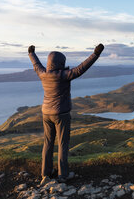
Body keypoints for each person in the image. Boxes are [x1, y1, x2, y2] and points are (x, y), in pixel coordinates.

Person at [28, 44, 104, 184]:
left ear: (49, 63)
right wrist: (95, 54)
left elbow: (36, 65)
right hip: (61, 114)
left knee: (48, 143)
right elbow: (82, 68)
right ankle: (63, 175)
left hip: (46, 113)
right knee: (63, 144)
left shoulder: (43, 74)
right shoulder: (64, 75)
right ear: (61, 63)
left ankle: (46, 173)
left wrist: (31, 53)